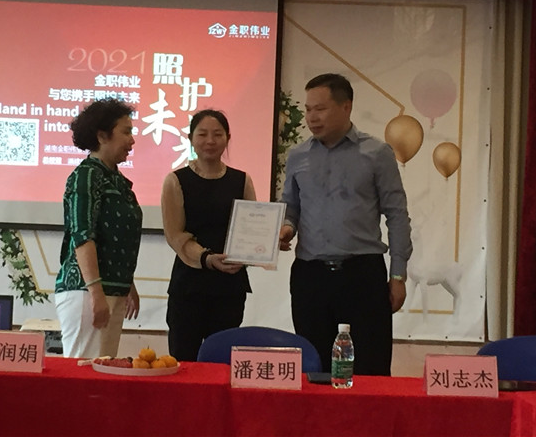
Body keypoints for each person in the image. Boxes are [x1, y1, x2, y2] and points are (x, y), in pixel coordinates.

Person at [280, 73, 412, 375]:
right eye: (308, 109)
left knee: (370, 369)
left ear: (346, 107)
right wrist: (286, 228)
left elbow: (397, 214)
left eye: (320, 109)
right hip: (310, 276)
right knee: (314, 369)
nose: (312, 117)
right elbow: (291, 207)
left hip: (361, 275)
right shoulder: (298, 156)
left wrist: (398, 275)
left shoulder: (376, 153)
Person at [161, 109, 256, 361]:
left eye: (217, 134)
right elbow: (175, 234)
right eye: (202, 134)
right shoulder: (175, 181)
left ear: (228, 138)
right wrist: (207, 258)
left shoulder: (242, 180)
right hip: (189, 286)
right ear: (191, 139)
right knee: (184, 361)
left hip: (230, 286)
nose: (210, 141)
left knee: (223, 363)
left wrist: (262, 246)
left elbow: (252, 227)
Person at [54, 98, 142, 359]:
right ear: (102, 136)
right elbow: (83, 236)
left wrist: (128, 284)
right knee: (83, 372)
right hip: (87, 292)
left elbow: (118, 239)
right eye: (126, 132)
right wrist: (96, 293)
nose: (132, 140)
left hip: (113, 290)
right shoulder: (87, 175)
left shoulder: (117, 180)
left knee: (103, 371)